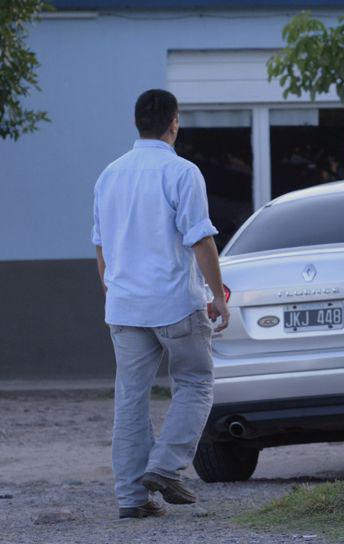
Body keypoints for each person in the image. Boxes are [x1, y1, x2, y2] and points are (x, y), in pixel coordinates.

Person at [92, 89, 230, 519]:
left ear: (137, 123)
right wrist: (219, 294)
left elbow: (101, 247)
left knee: (130, 398)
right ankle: (166, 467)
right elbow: (201, 239)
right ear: (175, 123)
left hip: (125, 305)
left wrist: (114, 290)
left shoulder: (108, 175)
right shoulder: (182, 172)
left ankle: (131, 499)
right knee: (195, 382)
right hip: (175, 303)